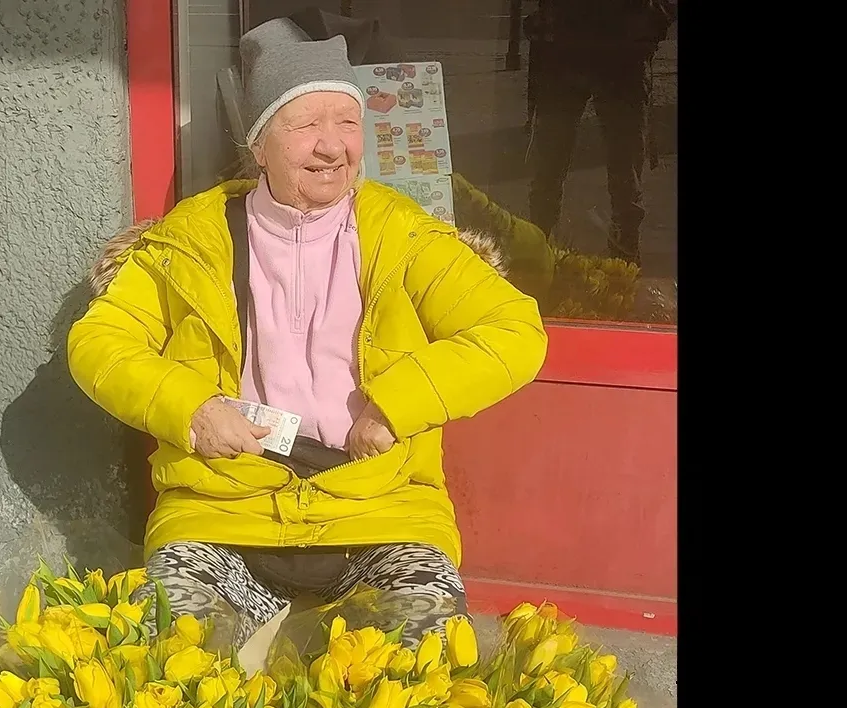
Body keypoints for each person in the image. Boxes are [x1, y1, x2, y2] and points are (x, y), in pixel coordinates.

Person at [68, 18, 547, 647]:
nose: (332, 146)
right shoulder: (194, 239)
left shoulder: (403, 235)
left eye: (347, 123)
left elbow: (514, 331)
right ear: (258, 145)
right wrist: (192, 410)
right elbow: (99, 342)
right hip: (223, 511)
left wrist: (396, 406)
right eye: (304, 126)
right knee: (168, 660)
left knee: (416, 665)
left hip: (380, 510)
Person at [526, 1, 676, 266]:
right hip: (577, 46)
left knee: (621, 165)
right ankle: (538, 244)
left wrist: (654, 21)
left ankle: (621, 251)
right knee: (551, 163)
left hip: (610, 49)